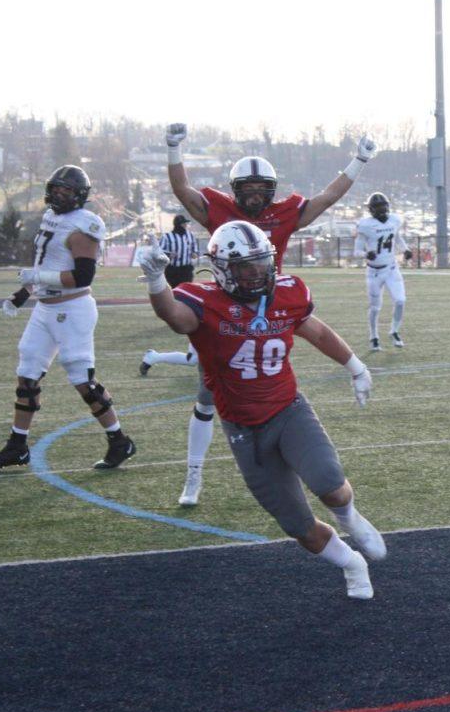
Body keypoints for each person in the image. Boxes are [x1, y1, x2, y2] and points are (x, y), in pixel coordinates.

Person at [136, 220, 385, 599]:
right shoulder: (204, 302)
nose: (257, 273)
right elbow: (174, 316)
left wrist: (356, 366)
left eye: (261, 263)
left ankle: (350, 517)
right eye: (245, 267)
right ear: (222, 269)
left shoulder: (288, 292)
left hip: (288, 411)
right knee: (298, 526)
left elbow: (316, 331)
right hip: (243, 429)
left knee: (331, 486)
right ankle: (352, 563)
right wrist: (157, 282)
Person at [161, 123, 375, 507]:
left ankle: (289, 451)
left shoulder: (284, 213)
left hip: (269, 303)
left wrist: (358, 161)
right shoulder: (219, 208)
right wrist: (174, 150)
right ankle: (193, 474)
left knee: (275, 383)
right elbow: (182, 191)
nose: (257, 196)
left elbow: (326, 198)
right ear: (235, 190)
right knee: (206, 395)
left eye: (263, 189)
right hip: (225, 306)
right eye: (249, 189)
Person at [0, 166, 136, 471]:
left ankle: (120, 441)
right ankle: (17, 445)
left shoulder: (85, 224)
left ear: (80, 196)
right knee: (27, 374)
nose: (58, 195)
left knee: (82, 381)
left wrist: (38, 277)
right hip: (45, 308)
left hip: (73, 309)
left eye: (66, 191)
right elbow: (47, 263)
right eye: (56, 189)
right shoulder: (52, 216)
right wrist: (25, 291)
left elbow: (82, 276)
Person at [139, 214, 201, 376]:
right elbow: (161, 252)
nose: (186, 226)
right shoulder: (168, 237)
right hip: (172, 270)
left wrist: (194, 257)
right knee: (176, 301)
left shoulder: (189, 236)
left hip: (186, 269)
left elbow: (195, 251)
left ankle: (153, 357)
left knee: (194, 358)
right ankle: (154, 356)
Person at [355, 192, 410, 351]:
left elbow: (397, 237)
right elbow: (357, 251)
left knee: (400, 301)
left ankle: (394, 331)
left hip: (392, 269)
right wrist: (366, 254)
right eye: (378, 207)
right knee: (375, 307)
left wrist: (405, 250)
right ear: (371, 209)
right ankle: (373, 336)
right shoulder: (365, 225)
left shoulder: (394, 220)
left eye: (383, 206)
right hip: (374, 272)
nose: (381, 209)